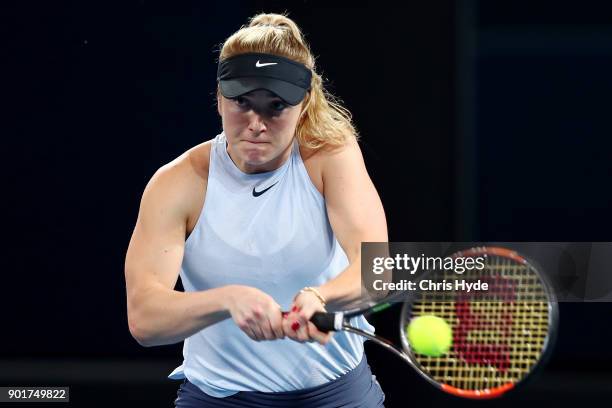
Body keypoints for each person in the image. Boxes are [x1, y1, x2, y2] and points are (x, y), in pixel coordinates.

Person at [125, 12, 388, 407]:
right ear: (218, 98)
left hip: (336, 396)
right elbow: (144, 319)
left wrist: (321, 296)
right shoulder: (176, 183)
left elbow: (377, 272)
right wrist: (227, 299)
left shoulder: (331, 157)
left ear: (304, 105)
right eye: (241, 102)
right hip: (218, 398)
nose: (256, 123)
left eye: (275, 106)